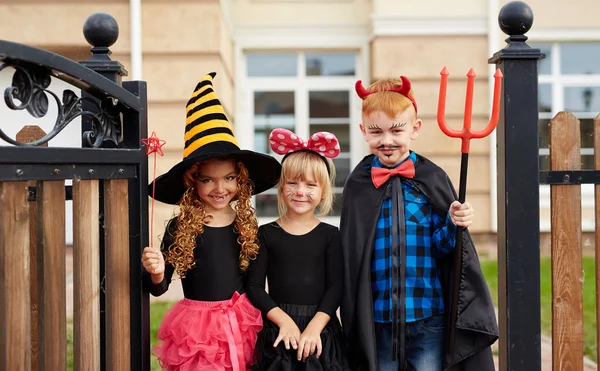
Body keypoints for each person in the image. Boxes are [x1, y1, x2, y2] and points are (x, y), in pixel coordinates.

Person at [340, 75, 498, 371]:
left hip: (428, 316)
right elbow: (354, 254)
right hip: (379, 318)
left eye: (396, 130)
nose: (386, 141)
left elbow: (445, 248)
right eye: (376, 132)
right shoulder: (357, 184)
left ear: (414, 129)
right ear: (363, 131)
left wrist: (454, 223)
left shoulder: (433, 177)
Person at [141, 72, 282, 371]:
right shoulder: (179, 227)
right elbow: (159, 287)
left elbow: (255, 284)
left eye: (229, 178)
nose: (220, 189)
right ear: (193, 182)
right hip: (196, 330)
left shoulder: (247, 227)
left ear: (241, 179)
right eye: (208, 180)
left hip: (242, 323)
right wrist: (155, 272)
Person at [246, 128, 351, 371]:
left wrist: (316, 327)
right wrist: (284, 322)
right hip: (279, 329)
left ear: (323, 191)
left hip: (321, 330)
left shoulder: (330, 235)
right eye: (292, 183)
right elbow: (254, 286)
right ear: (281, 187)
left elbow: (336, 286)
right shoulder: (267, 233)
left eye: (310, 185)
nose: (300, 191)